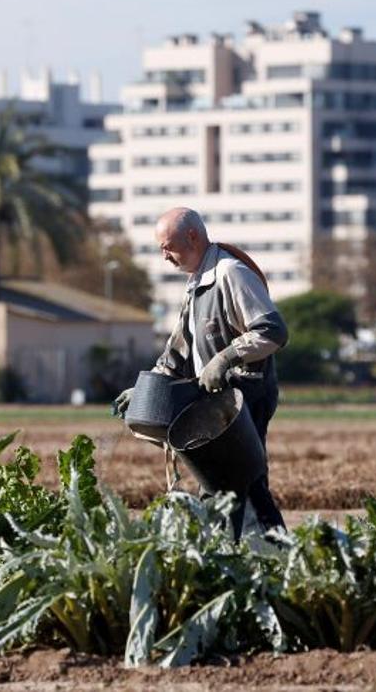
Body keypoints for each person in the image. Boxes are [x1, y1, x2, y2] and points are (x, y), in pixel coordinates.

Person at [113, 207, 289, 533]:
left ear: (192, 237)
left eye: (168, 246)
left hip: (243, 400)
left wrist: (224, 359)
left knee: (233, 484)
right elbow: (176, 355)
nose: (164, 256)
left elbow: (273, 331)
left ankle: (257, 557)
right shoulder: (197, 282)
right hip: (215, 405)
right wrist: (146, 391)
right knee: (233, 485)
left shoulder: (230, 273)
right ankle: (257, 557)